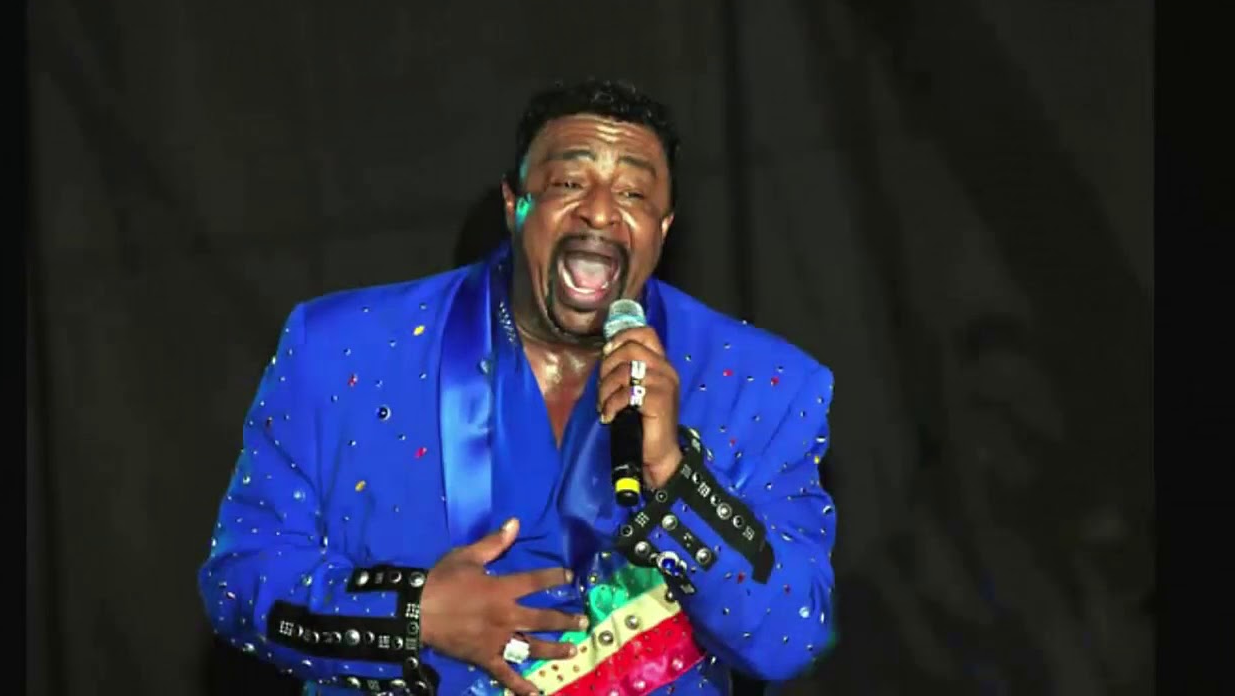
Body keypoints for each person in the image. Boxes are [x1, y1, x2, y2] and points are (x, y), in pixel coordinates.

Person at [198, 78, 838, 696]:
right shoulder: (341, 351)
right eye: (568, 183)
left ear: (663, 228)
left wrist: (675, 478)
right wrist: (413, 615)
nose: (599, 210)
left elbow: (792, 639)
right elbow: (240, 578)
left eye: (633, 193)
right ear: (514, 204)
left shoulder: (766, 387)